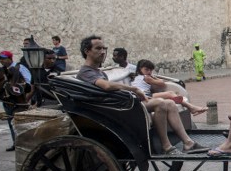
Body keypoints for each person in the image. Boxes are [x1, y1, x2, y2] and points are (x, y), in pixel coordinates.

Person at [76, 36, 206, 155]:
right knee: (161, 102)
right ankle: (166, 146)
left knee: (170, 103)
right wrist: (133, 89)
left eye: (104, 48)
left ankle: (188, 143)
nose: (103, 52)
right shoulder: (85, 72)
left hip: (122, 103)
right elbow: (106, 86)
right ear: (87, 51)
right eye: (98, 48)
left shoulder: (98, 72)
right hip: (114, 110)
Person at [133, 59, 207, 116]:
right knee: (170, 93)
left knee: (170, 95)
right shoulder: (146, 77)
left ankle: (189, 107)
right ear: (140, 69)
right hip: (145, 96)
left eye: (150, 70)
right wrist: (155, 78)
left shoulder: (137, 77)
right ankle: (191, 108)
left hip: (143, 96)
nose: (149, 72)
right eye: (146, 69)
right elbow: (162, 84)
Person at [0, 50, 32, 151]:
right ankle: (16, 143)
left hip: (19, 101)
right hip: (8, 101)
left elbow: (28, 82)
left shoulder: (19, 67)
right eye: (0, 59)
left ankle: (25, 144)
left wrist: (26, 100)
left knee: (21, 123)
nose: (1, 61)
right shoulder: (3, 70)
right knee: (11, 123)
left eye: (3, 58)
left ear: (9, 58)